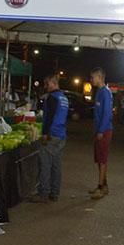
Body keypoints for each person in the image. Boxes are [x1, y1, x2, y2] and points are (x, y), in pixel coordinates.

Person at [31, 75, 69, 203]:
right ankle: (55, 192)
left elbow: (49, 118)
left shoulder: (52, 98)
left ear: (53, 83)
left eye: (46, 84)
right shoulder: (64, 98)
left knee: (45, 164)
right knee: (56, 165)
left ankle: (43, 193)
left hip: (52, 134)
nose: (45, 87)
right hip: (61, 134)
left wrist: (45, 133)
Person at [89, 68, 113, 200]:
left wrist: (101, 130)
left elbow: (107, 114)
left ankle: (100, 187)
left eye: (93, 77)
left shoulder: (106, 93)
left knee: (102, 159)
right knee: (99, 159)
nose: (91, 80)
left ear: (100, 77)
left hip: (104, 131)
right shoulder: (99, 92)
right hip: (99, 130)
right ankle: (104, 185)